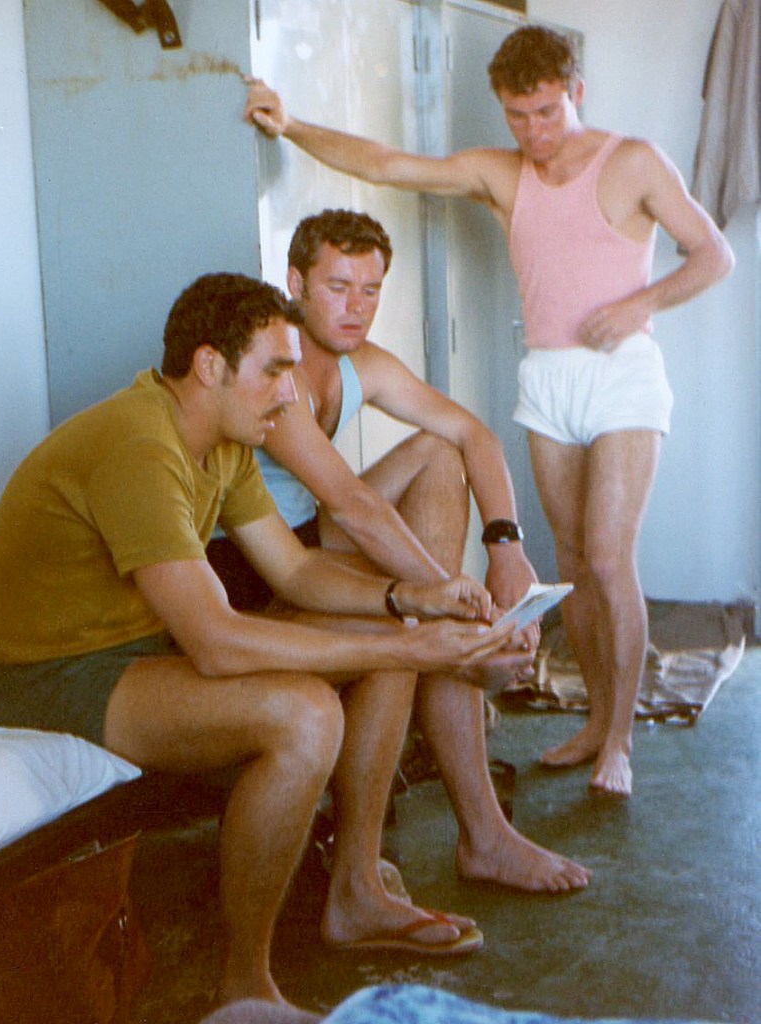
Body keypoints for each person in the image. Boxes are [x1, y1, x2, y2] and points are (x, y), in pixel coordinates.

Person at [0, 273, 519, 1011]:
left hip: (144, 649)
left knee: (393, 630)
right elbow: (217, 644)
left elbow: (294, 571)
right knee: (306, 716)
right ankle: (245, 987)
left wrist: (410, 600)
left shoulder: (224, 442)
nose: (290, 394)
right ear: (210, 366)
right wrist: (410, 652)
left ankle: (357, 889)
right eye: (274, 370)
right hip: (56, 675)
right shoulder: (140, 442)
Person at [242, 25, 735, 797]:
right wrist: (293, 124)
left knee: (610, 559)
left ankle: (618, 741)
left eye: (547, 112)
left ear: (576, 93)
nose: (533, 133)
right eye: (517, 116)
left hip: (623, 373)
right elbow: (389, 164)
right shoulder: (502, 174)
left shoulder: (633, 160)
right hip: (549, 376)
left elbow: (713, 255)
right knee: (571, 560)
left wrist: (639, 304)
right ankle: (593, 718)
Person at [207, 209, 591, 893]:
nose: (356, 308)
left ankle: (484, 836)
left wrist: (505, 548)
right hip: (250, 567)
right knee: (413, 623)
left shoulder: (364, 365)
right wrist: (458, 604)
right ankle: (458, 836)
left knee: (441, 452)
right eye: (338, 287)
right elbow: (352, 504)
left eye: (371, 290)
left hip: (308, 539)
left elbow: (476, 436)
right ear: (296, 283)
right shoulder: (275, 374)